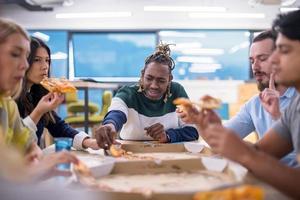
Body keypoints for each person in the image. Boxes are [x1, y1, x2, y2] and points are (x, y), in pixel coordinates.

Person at [179, 10, 300, 199]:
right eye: (253, 60)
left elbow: (254, 156)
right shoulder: (294, 107)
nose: (274, 60)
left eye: (283, 51)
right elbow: (260, 152)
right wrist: (208, 126)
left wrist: (245, 154)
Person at [0, 17, 79, 180]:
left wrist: (33, 153)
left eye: (47, 61)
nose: (24, 64)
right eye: (15, 54)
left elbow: (26, 144)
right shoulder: (14, 100)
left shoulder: (9, 102)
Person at [95, 43, 198, 149]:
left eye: (161, 80)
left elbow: (192, 131)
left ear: (169, 79)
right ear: (142, 74)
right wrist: (110, 125)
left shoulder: (177, 92)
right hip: (130, 152)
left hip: (168, 151)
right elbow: (116, 113)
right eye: (149, 78)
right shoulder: (128, 93)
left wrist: (168, 135)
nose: (154, 86)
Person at [224, 30, 297, 166]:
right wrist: (202, 121)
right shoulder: (255, 104)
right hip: (267, 177)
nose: (255, 67)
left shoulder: (297, 99)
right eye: (252, 61)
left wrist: (277, 115)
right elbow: (224, 139)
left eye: (262, 59)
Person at [16, 37, 99, 150]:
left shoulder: (37, 93)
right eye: (37, 60)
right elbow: (14, 143)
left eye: (47, 60)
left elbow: (58, 126)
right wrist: (38, 112)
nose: (45, 66)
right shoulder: (9, 98)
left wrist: (90, 142)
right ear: (23, 62)